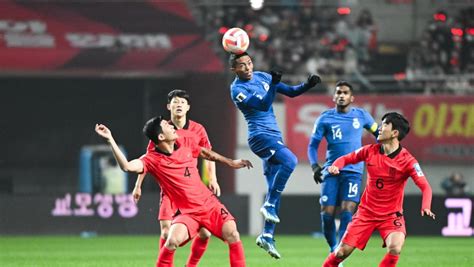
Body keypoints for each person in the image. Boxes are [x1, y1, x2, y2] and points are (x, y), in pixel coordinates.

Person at [95, 117, 252, 267]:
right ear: (161, 136)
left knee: (233, 234)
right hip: (188, 213)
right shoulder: (151, 159)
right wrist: (110, 140)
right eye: (166, 125)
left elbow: (206, 153)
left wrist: (231, 162)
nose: (171, 126)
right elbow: (127, 167)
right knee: (171, 241)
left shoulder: (185, 143)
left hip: (210, 205)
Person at [229, 51, 321, 259]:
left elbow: (291, 92)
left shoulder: (262, 76)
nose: (248, 67)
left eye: (249, 63)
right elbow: (262, 104)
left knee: (273, 186)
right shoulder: (237, 89)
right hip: (260, 137)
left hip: (273, 136)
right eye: (242, 65)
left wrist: (309, 84)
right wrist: (273, 85)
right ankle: (269, 203)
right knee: (291, 160)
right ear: (234, 70)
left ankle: (267, 235)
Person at [322, 112, 436, 267]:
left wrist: (426, 206)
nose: (379, 129)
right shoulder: (369, 150)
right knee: (341, 253)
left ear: (395, 133)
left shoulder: (408, 161)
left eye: (384, 125)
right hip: (365, 213)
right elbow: (346, 158)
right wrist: (336, 165)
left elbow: (425, 187)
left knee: (395, 247)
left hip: (391, 216)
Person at [132, 89, 219, 267]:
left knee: (205, 233)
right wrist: (138, 184)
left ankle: (191, 265)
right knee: (166, 233)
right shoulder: (161, 131)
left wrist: (213, 179)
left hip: (192, 191)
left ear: (188, 107)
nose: (178, 104)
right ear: (168, 106)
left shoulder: (198, 129)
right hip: (170, 190)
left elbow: (208, 155)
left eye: (182, 102)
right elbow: (147, 161)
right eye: (175, 102)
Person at [307, 80, 378, 253]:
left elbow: (379, 135)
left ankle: (339, 252)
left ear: (352, 97)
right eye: (338, 92)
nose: (341, 95)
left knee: (348, 210)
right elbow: (312, 146)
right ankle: (333, 248)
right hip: (331, 170)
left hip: (354, 171)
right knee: (327, 213)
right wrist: (315, 167)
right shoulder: (324, 118)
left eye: (345, 93)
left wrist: (378, 158)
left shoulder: (362, 116)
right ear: (333, 97)